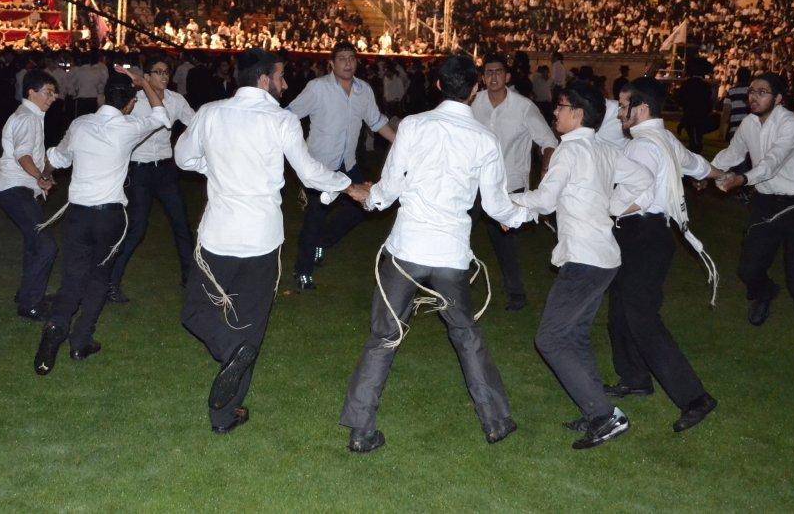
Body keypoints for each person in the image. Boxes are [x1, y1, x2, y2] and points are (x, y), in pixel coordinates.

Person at [341, 55, 531, 454]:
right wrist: (526, 212)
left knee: (383, 338)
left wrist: (369, 197)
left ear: (440, 87)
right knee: (466, 335)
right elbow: (498, 208)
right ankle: (495, 422)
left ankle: (360, 429)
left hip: (407, 249)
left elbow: (389, 187)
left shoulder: (412, 126)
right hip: (448, 254)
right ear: (475, 88)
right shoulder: (483, 139)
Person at [174, 49, 361, 434]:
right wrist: (347, 185)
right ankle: (232, 365)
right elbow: (309, 174)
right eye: (280, 77)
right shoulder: (282, 120)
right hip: (261, 239)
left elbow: (183, 158)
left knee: (196, 312)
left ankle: (226, 410)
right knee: (246, 332)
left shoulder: (210, 113)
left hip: (220, 237)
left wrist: (215, 167)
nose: (285, 83)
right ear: (263, 79)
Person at [511, 81, 649, 450]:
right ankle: (597, 412)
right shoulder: (603, 148)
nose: (554, 112)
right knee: (574, 335)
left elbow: (543, 200)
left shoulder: (569, 152)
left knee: (551, 338)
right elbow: (643, 178)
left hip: (586, 260)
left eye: (560, 106)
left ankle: (604, 417)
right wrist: (613, 207)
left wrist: (507, 202)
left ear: (578, 113)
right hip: (603, 258)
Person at [33, 68, 167, 375]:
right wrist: (143, 81)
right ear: (130, 103)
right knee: (98, 279)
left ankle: (57, 325)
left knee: (72, 278)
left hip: (78, 214)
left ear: (103, 96)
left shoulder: (81, 124)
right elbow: (161, 114)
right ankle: (81, 341)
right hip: (110, 216)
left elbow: (57, 158)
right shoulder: (129, 126)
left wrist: (44, 175)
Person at [608, 77, 718, 433]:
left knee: (641, 317)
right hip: (648, 236)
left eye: (624, 106)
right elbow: (699, 166)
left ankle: (695, 398)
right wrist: (724, 175)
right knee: (621, 310)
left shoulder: (642, 146)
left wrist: (589, 206)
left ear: (642, 109)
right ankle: (635, 377)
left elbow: (629, 201)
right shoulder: (664, 139)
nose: (620, 113)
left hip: (642, 233)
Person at [711, 73, 794, 362]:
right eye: (752, 91)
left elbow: (772, 163)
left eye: (762, 92)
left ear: (778, 99)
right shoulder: (749, 124)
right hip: (767, 203)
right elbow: (733, 152)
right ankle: (764, 291)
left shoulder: (792, 125)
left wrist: (742, 179)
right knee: (748, 269)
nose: (754, 97)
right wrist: (706, 172)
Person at [287, 41, 396, 290]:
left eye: (352, 58)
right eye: (342, 58)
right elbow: (289, 116)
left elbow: (377, 122)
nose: (348, 62)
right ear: (331, 64)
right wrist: (297, 153)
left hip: (348, 163)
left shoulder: (363, 90)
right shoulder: (317, 88)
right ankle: (302, 271)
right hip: (320, 166)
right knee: (315, 217)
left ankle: (322, 243)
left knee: (364, 207)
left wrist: (402, 143)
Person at [469, 54, 557, 311]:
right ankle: (451, 289)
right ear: (483, 77)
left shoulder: (523, 107)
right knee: (457, 233)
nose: (493, 77)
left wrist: (545, 173)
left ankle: (516, 296)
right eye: (488, 72)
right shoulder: (475, 103)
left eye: (498, 72)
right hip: (474, 184)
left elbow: (549, 142)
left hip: (509, 187)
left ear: (507, 77)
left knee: (505, 245)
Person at [108, 53, 197, 303]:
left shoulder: (176, 99)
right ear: (146, 77)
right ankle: (111, 282)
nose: (165, 76)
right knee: (137, 228)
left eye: (167, 72)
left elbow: (195, 123)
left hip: (165, 168)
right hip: (139, 169)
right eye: (158, 72)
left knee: (181, 223)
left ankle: (189, 278)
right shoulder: (135, 100)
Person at [0, 70, 60, 321]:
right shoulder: (27, 117)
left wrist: (42, 176)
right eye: (48, 92)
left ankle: (27, 295)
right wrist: (40, 177)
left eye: (54, 92)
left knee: (36, 244)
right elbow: (23, 156)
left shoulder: (31, 116)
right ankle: (30, 304)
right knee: (46, 247)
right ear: (31, 92)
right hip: (14, 189)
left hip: (16, 189)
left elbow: (30, 155)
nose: (53, 97)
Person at [723, 67, 752, 143]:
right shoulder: (753, 91)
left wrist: (721, 129)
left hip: (735, 129)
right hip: (750, 129)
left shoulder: (731, 91)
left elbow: (726, 111)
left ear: (738, 77)